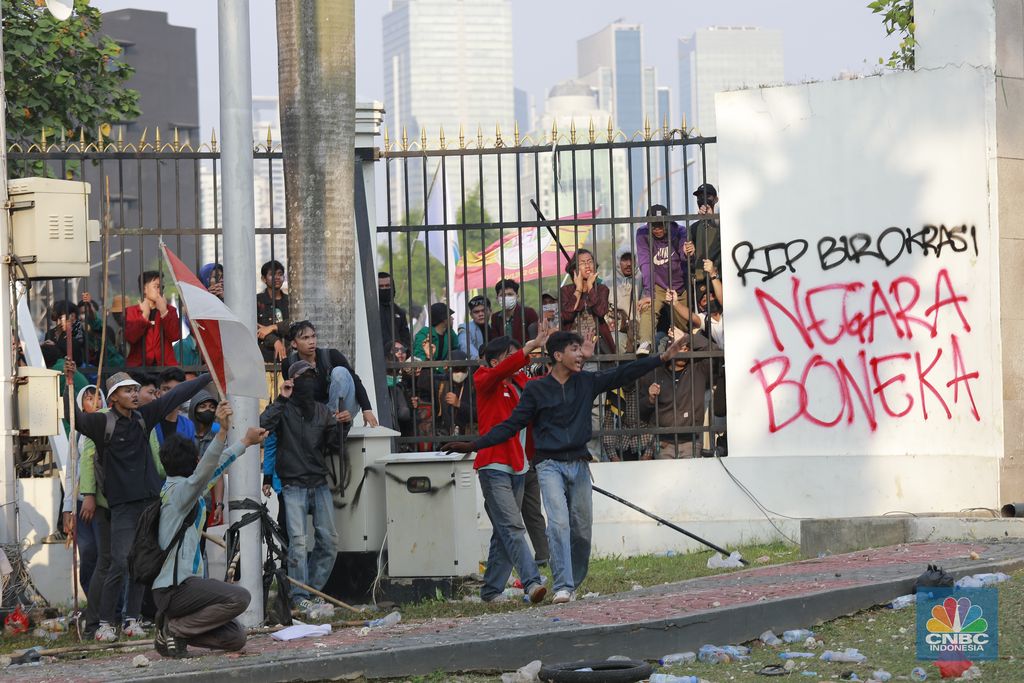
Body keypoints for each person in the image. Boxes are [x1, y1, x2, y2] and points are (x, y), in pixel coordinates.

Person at [446, 331, 688, 603]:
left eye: (580, 349)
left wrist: (662, 357)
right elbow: (510, 425)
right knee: (557, 524)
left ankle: (571, 583)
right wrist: (475, 445)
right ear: (558, 355)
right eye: (574, 349)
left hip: (579, 465)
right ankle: (561, 585)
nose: (581, 354)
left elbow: (623, 373)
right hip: (548, 466)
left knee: (581, 531)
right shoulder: (535, 390)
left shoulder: (585, 382)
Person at [66, 364, 212, 642]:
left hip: (149, 503)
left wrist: (209, 375)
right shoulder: (101, 422)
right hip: (121, 507)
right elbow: (73, 418)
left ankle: (132, 619)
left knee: (142, 563)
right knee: (119, 563)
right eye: (127, 391)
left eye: (136, 389)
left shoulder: (144, 416)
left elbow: (178, 394)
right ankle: (106, 623)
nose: (134, 395)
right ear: (113, 398)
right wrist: (68, 384)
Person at [152, 400, 266, 658]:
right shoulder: (178, 493)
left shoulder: (186, 492)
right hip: (174, 589)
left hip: (185, 587)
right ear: (193, 461)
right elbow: (205, 471)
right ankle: (175, 628)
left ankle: (169, 635)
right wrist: (223, 432)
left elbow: (212, 470)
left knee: (236, 638)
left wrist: (245, 442)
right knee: (240, 598)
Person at [466, 327, 553, 603]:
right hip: (493, 466)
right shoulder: (484, 378)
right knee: (514, 527)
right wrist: (528, 349)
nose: (519, 359)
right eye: (511, 356)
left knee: (504, 532)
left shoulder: (519, 385)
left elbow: (543, 394)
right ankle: (531, 582)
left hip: (519, 466)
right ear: (495, 362)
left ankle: (491, 591)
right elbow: (501, 372)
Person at [260, 361, 348, 616]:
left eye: (312, 376)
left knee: (329, 541)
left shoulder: (322, 412)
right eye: (302, 377)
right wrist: (281, 398)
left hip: (318, 483)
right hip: (293, 485)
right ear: (291, 381)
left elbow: (334, 444)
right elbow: (263, 424)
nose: (308, 382)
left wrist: (343, 424)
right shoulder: (283, 409)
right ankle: (299, 597)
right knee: (298, 543)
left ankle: (310, 592)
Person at [281, 320, 378, 427]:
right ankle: (326, 419)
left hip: (343, 406)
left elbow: (355, 380)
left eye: (313, 336)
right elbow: (292, 395)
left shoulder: (331, 355)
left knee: (340, 371)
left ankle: (331, 416)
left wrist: (367, 409)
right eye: (305, 338)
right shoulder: (289, 364)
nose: (311, 341)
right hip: (314, 412)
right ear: (294, 343)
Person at [639, 330, 716, 459]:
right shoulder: (656, 373)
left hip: (691, 442)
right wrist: (650, 399)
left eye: (686, 347)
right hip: (663, 443)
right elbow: (641, 411)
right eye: (680, 346)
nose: (684, 350)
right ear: (670, 348)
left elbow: (715, 349)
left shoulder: (699, 369)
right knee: (665, 480)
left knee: (690, 479)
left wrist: (688, 337)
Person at [61, 385, 106, 593]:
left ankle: (111, 606)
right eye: (89, 399)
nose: (95, 403)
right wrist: (67, 509)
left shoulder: (111, 425)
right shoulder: (77, 435)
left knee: (106, 554)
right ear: (80, 404)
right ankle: (92, 598)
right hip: (81, 503)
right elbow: (71, 473)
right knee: (88, 552)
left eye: (98, 398)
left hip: (106, 503)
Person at [635, 204, 688, 356]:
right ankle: (645, 342)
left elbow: (685, 257)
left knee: (682, 322)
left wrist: (686, 252)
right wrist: (648, 292)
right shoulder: (642, 234)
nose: (657, 230)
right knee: (648, 308)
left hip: (679, 284)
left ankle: (682, 346)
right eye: (653, 226)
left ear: (667, 223)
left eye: (661, 226)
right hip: (658, 284)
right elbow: (645, 263)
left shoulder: (679, 231)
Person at [559, 249, 615, 354]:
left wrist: (590, 288)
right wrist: (579, 289)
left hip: (597, 344)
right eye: (582, 263)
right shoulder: (566, 291)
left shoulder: (602, 289)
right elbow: (567, 315)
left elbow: (600, 311)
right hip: (572, 344)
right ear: (574, 269)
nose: (587, 265)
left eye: (590, 262)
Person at [125, 271, 181, 367]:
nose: (160, 290)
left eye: (162, 287)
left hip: (165, 366)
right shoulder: (132, 311)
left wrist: (164, 312)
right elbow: (131, 338)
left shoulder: (170, 310)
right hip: (139, 367)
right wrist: (144, 316)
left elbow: (175, 336)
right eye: (156, 286)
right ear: (144, 289)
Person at [189, 390, 226, 528]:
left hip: (204, 504)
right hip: (184, 501)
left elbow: (217, 473)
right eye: (203, 407)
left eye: (212, 407)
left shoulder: (217, 435)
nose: (208, 410)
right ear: (194, 409)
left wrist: (219, 504)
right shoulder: (184, 432)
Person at [383, 340, 419, 449]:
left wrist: (415, 404)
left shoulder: (411, 376)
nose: (400, 353)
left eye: (403, 350)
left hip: (406, 431)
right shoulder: (381, 378)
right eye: (395, 350)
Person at [685, 184, 721, 288]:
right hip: (701, 281)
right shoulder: (694, 228)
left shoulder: (723, 224)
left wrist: (712, 217)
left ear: (716, 199)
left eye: (707, 196)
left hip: (720, 277)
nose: (702, 200)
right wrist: (688, 251)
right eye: (699, 197)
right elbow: (688, 257)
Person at [257, 260, 290, 363]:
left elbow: (295, 323)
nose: (277, 277)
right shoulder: (257, 301)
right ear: (263, 279)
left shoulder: (290, 301)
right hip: (263, 360)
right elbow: (256, 328)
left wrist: (272, 327)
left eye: (280, 274)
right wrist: (275, 341)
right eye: (272, 274)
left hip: (288, 359)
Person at [436, 350, 475, 436]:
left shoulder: (473, 384)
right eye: (456, 369)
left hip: (467, 438)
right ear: (448, 368)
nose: (459, 373)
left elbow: (479, 413)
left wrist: (459, 404)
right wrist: (428, 359)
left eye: (463, 369)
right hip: (444, 437)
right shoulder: (442, 382)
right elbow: (423, 380)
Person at [489, 279, 538, 346]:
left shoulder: (528, 313)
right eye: (502, 295)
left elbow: (535, 339)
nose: (506, 298)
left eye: (510, 294)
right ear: (497, 298)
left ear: (517, 296)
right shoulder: (495, 317)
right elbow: (495, 342)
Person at [607, 252, 639, 353]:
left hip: (642, 328)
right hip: (620, 330)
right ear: (617, 262)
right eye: (624, 260)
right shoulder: (608, 282)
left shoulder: (643, 278)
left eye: (632, 259)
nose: (629, 264)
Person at [46, 301, 87, 367]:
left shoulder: (78, 334)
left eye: (61, 317)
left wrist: (54, 347)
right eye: (58, 318)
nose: (59, 321)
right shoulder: (50, 334)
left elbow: (77, 360)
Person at [378, 272, 411, 352]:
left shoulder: (399, 312)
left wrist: (401, 351)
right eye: (381, 286)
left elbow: (406, 339)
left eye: (388, 286)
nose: (385, 289)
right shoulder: (370, 311)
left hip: (397, 359)